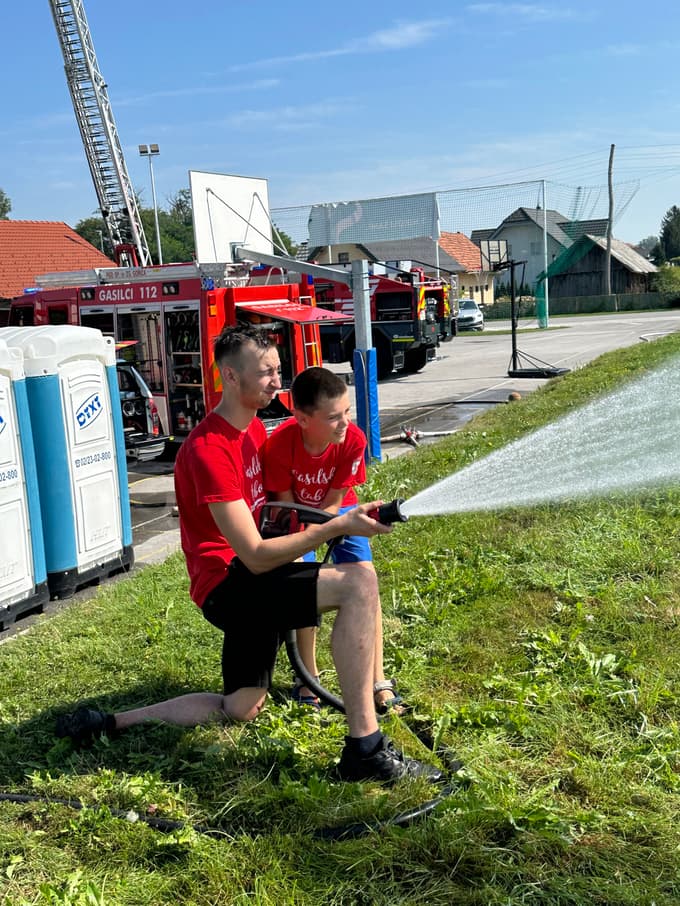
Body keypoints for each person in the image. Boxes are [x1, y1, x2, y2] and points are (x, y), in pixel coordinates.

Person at [56, 324, 441, 785]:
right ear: (231, 378)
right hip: (229, 586)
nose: (278, 381)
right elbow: (255, 556)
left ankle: (109, 722)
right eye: (266, 373)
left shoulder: (255, 430)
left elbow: (277, 510)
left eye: (278, 370)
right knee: (360, 583)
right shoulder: (208, 450)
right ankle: (366, 748)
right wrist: (338, 526)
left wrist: (341, 513)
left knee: (241, 707)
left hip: (253, 579)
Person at [262, 366, 404, 714]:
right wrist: (308, 544)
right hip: (295, 518)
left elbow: (336, 501)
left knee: (366, 577)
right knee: (302, 584)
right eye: (333, 417)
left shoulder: (353, 439)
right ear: (301, 418)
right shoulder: (279, 446)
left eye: (346, 413)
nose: (344, 424)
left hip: (339, 511)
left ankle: (377, 680)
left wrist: (334, 528)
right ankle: (307, 676)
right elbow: (285, 504)